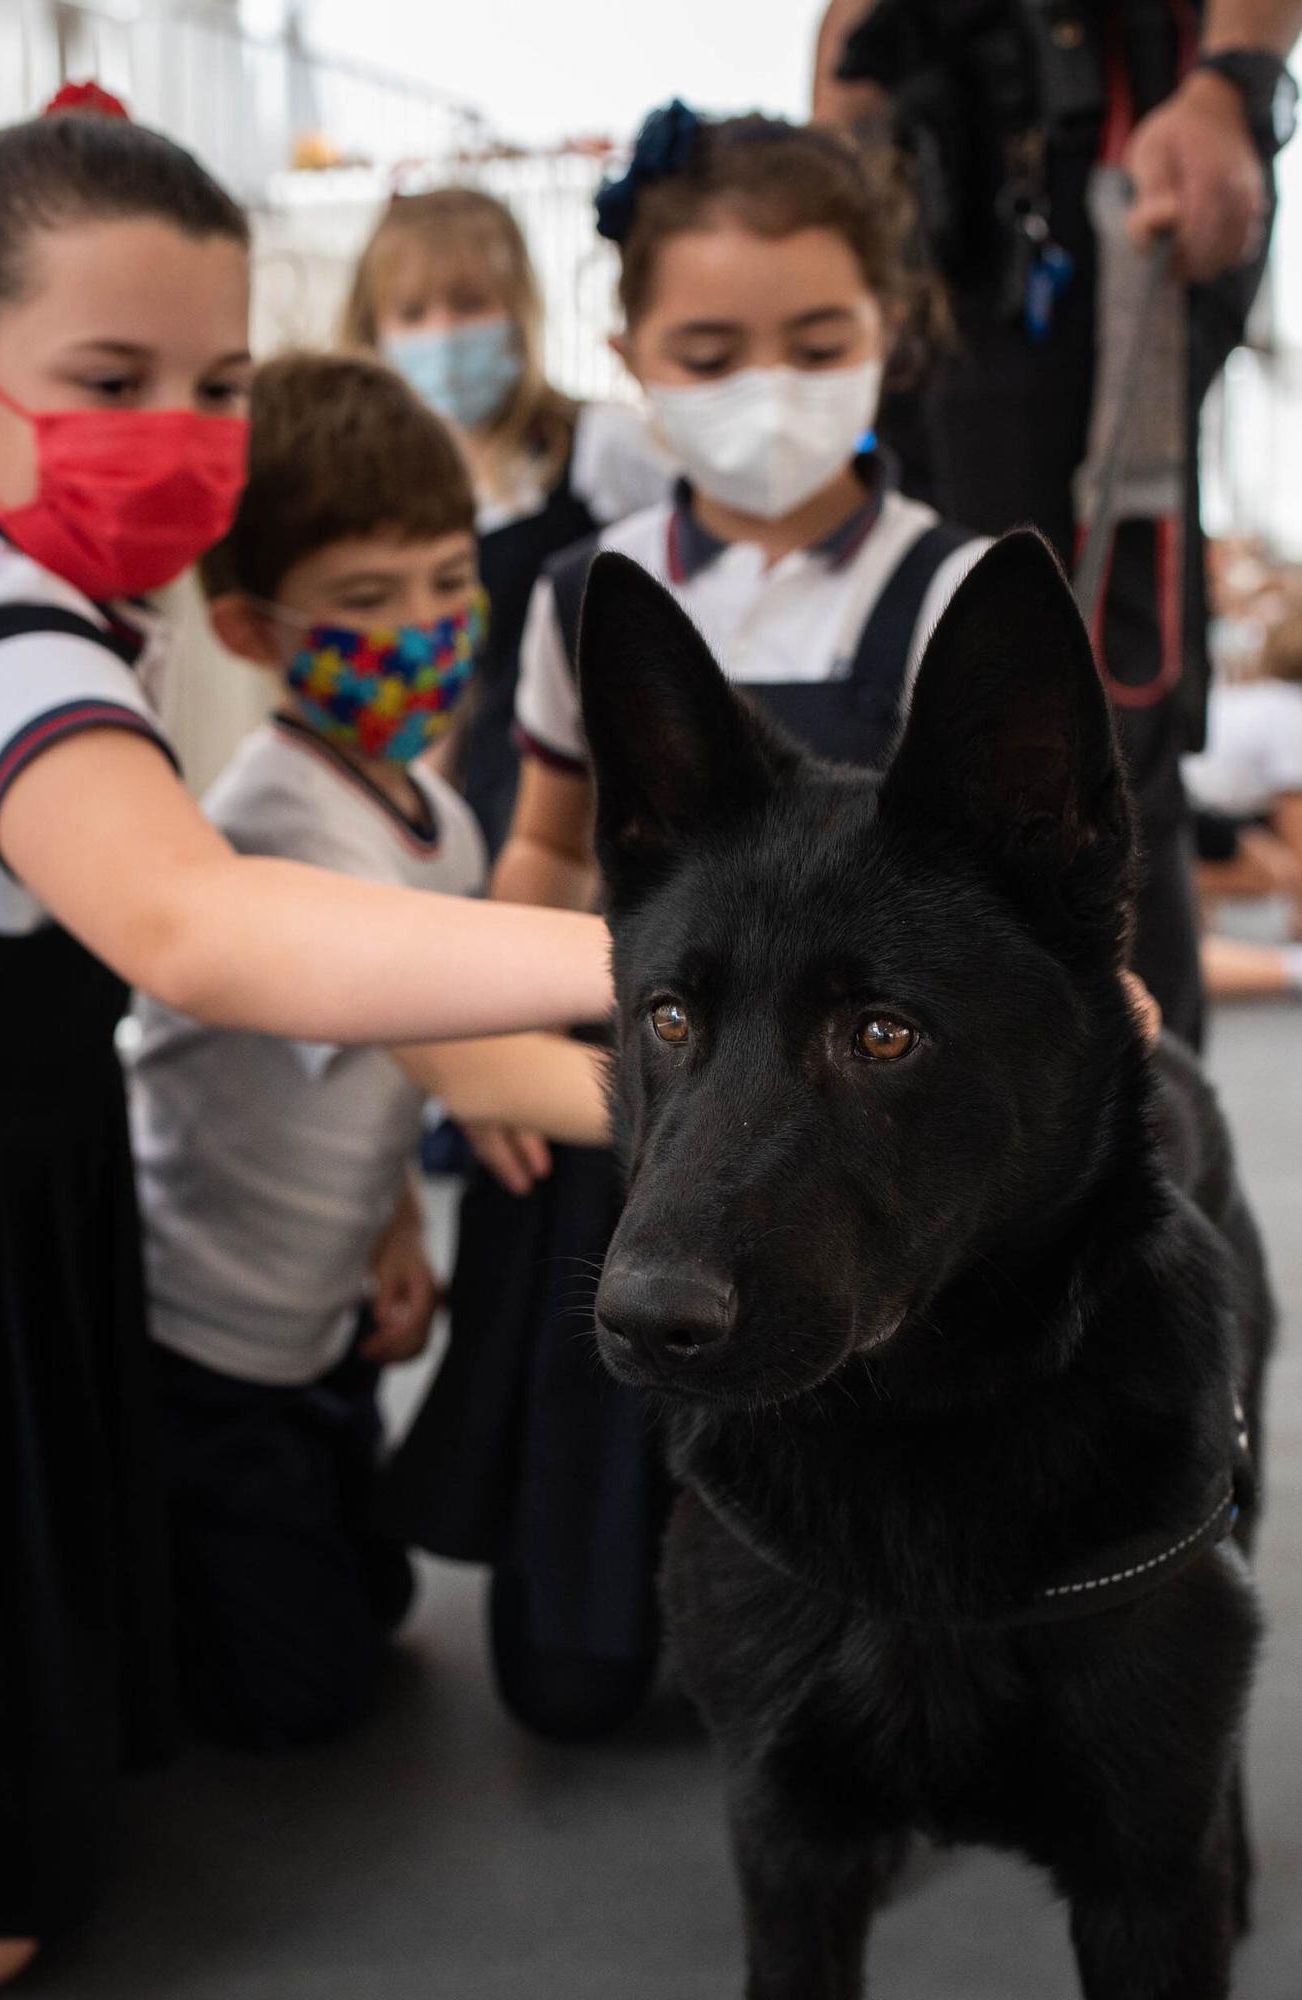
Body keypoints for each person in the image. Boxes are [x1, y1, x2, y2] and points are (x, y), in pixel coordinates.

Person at [0, 100, 612, 2000]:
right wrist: (662, 963)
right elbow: (192, 931)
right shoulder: (0, 658)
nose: (182, 432)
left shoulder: (21, 598)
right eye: (109, 377)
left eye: (216, 383)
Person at [384, 104, 990, 1744]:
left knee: (868, 1656)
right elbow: (540, 851)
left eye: (817, 340)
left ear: (890, 327)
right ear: (631, 352)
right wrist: (503, 1050)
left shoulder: (948, 591)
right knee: (569, 1679)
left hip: (846, 1139)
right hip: (637, 1119)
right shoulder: (585, 590)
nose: (766, 388)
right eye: (709, 350)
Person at [130, 351, 604, 1754]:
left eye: (449, 584)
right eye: (362, 602)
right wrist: (747, 1102)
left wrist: (397, 1218)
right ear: (249, 628)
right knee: (297, 1695)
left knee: (373, 1601)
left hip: (317, 1332)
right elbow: (474, 1065)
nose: (423, 629)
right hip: (198, 1350)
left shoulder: (432, 815)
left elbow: (375, 1065)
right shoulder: (282, 821)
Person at [811, 0, 1302, 1050]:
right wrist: (837, 146)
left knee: (1080, 716)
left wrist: (1235, 77)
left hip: (1095, 156)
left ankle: (1148, 1151)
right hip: (928, 180)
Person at [339, 186, 673, 855]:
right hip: (469, 819)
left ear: (517, 310)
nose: (443, 333)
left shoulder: (596, 447)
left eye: (469, 304)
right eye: (412, 312)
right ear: (373, 330)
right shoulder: (372, 486)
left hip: (604, 807)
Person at [1190, 594, 1302, 1003]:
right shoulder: (1298, 711)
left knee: (1275, 857)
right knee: (1277, 868)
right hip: (1180, 807)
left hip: (1191, 804)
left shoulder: (1278, 698)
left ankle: (1183, 897)